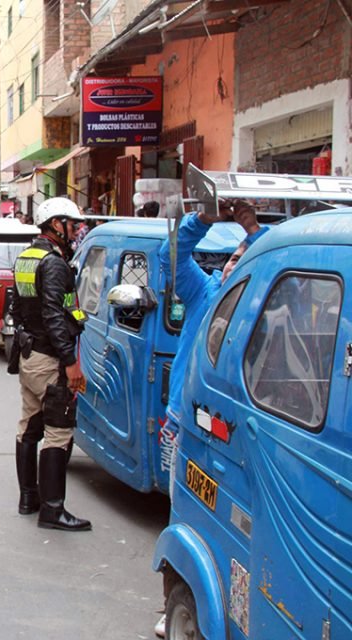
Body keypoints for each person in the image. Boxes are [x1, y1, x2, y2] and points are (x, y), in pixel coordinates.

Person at [151, 197, 265, 637]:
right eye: (234, 257)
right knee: (184, 512)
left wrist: (253, 230)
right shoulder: (205, 292)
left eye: (246, 257)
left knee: (234, 527)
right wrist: (202, 220)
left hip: (238, 436)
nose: (237, 263)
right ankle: (176, 599)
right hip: (187, 425)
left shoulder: (263, 309)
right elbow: (170, 256)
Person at [8, 197, 90, 531]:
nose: (76, 231)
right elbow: (54, 315)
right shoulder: (54, 263)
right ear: (56, 224)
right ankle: (53, 510)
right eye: (72, 224)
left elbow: (15, 307)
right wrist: (70, 362)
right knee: (58, 429)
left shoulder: (26, 257)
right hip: (50, 359)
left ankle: (29, 498)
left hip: (30, 355)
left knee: (29, 425)